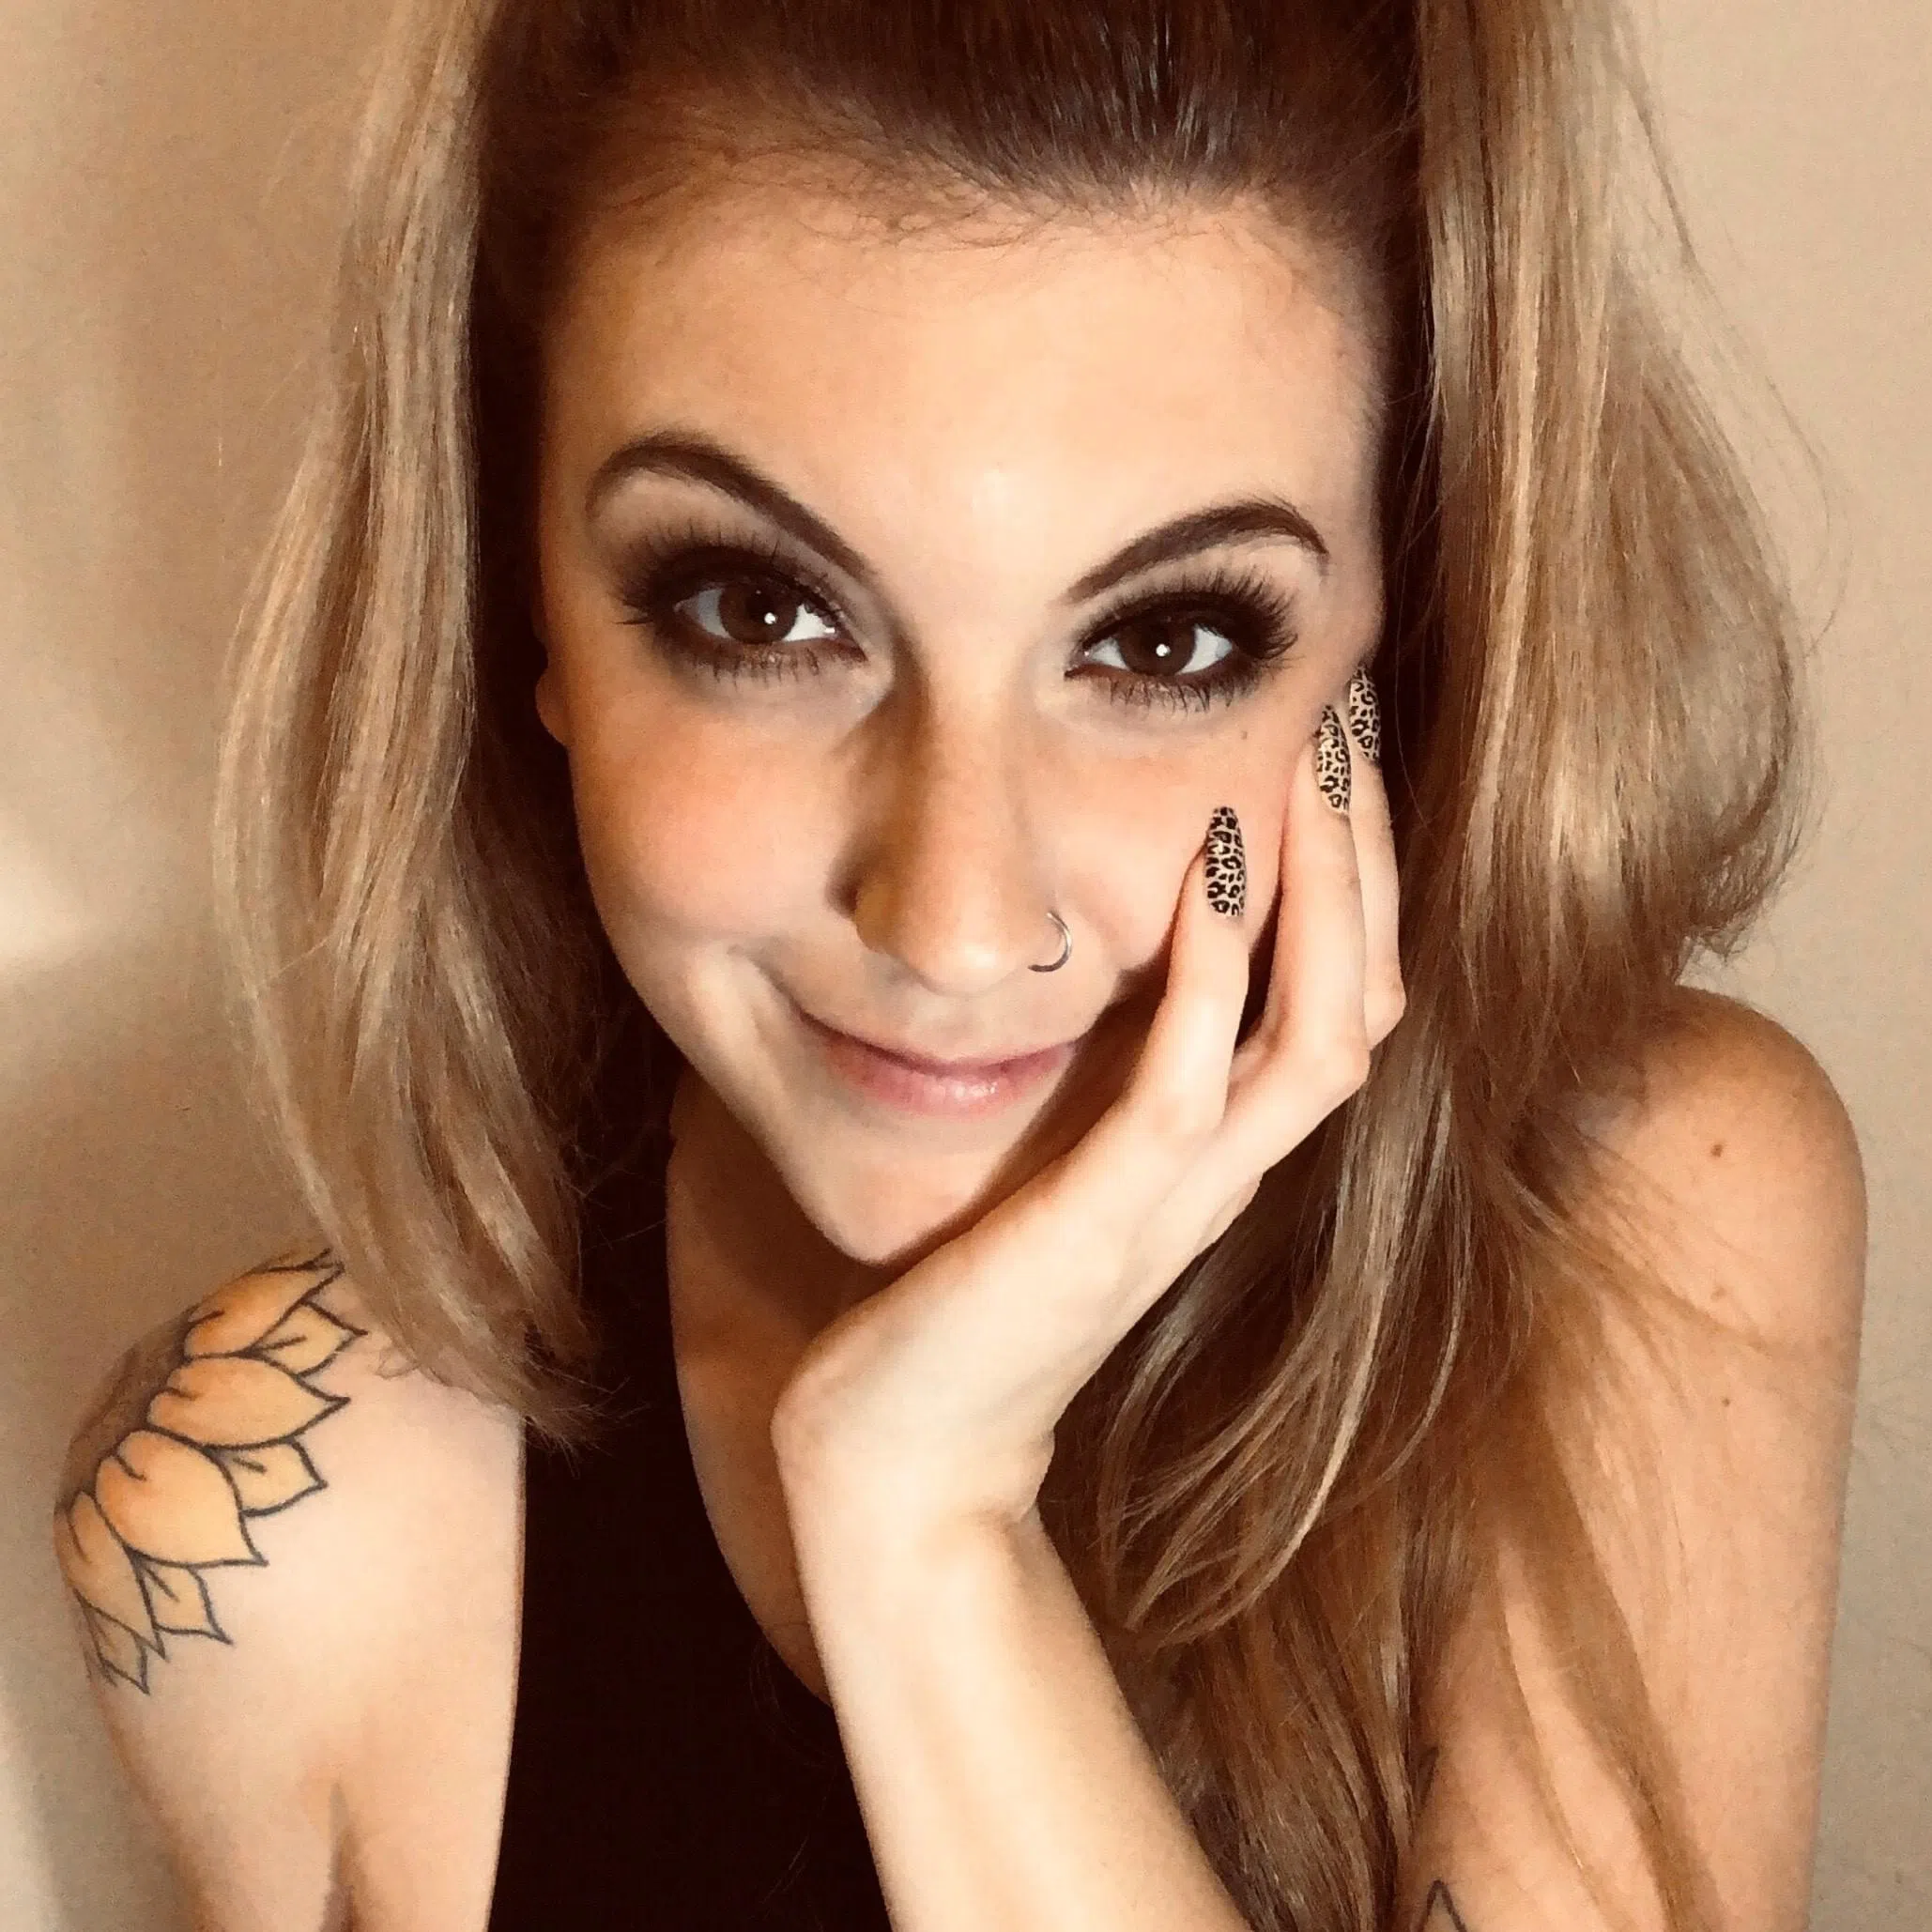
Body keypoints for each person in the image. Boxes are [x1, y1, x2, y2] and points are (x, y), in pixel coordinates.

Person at [50, 0, 1866, 1927]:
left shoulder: (1636, 1210)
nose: (956, 922)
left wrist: (920, 1521)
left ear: (1397, 649)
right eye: (760, 610)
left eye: (1166, 645)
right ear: (528, 607)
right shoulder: (272, 1519)